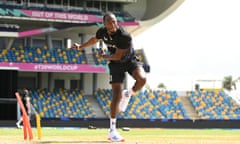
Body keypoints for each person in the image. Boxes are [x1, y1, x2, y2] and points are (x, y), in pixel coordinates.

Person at [72, 12, 146, 142]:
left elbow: (118, 56)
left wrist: (103, 56)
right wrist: (80, 47)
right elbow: (94, 39)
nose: (112, 25)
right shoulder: (102, 32)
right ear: (104, 24)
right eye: (109, 22)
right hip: (115, 64)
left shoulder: (124, 36)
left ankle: (129, 93)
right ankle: (112, 131)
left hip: (129, 60)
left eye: (114, 22)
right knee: (116, 95)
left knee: (142, 79)